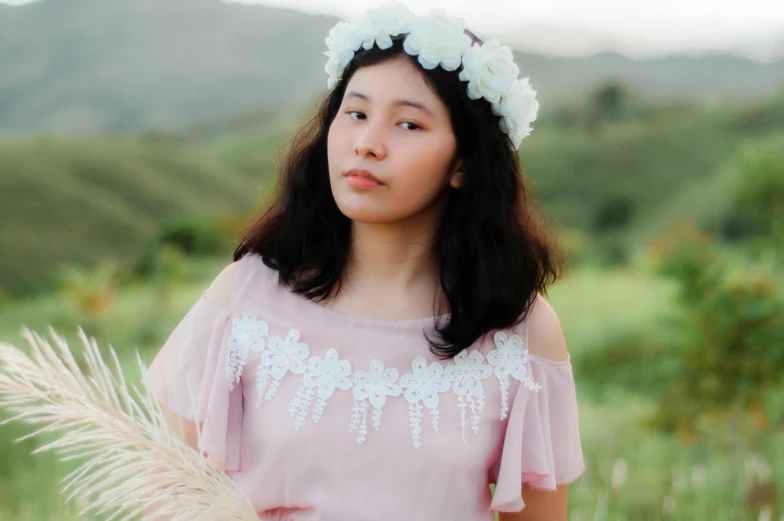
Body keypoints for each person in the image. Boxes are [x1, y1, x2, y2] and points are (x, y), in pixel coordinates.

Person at [142, 3, 584, 520]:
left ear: (463, 163)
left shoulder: (521, 333)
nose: (368, 144)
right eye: (355, 114)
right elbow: (168, 501)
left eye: (408, 124)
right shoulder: (243, 297)